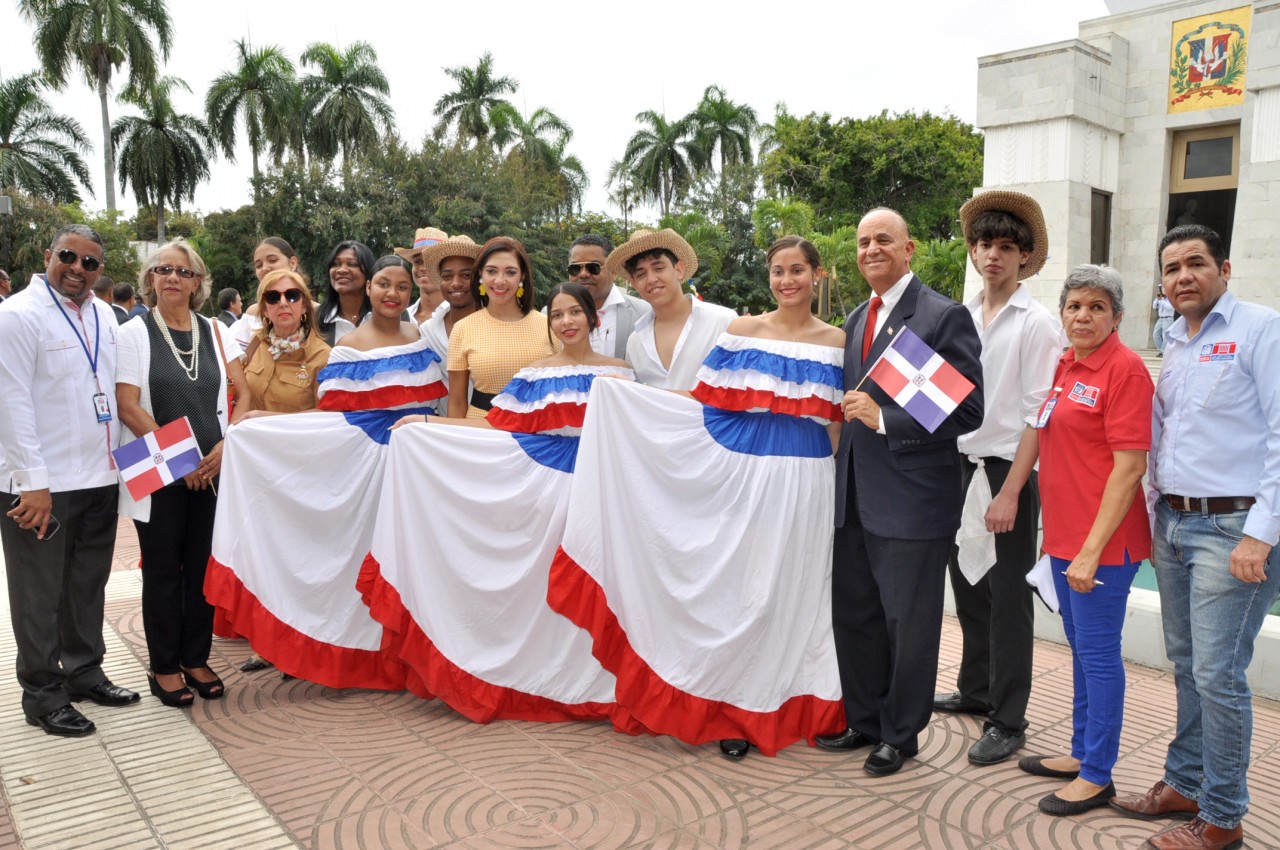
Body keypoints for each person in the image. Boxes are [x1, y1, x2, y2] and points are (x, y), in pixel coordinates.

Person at [548, 235, 847, 759]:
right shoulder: (742, 330)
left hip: (808, 472)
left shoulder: (841, 341)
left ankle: (803, 703)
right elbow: (708, 397)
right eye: (778, 271)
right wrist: (622, 399)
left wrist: (834, 480)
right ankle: (728, 708)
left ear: (817, 275)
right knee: (743, 590)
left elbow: (841, 422)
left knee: (798, 589)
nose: (787, 281)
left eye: (797, 270)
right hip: (743, 468)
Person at [363, 283, 636, 725]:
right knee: (547, 587)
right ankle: (546, 679)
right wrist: (428, 425)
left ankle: (601, 682)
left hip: (600, 490)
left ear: (593, 319)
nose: (567, 322)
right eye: (558, 316)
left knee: (597, 581)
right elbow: (498, 429)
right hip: (547, 491)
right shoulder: (533, 377)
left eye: (575, 313)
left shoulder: (621, 373)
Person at [1110, 225, 1280, 850]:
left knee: (1219, 675)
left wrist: (1260, 535)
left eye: (1196, 264)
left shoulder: (1262, 330)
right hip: (1174, 524)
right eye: (1172, 268)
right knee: (1187, 668)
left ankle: (1224, 817)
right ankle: (1183, 783)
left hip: (1232, 528)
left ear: (1224, 269)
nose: (1183, 276)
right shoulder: (1174, 342)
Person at [205, 255, 445, 690]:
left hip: (418, 470)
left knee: (415, 559)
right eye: (384, 284)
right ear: (369, 288)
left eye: (402, 286)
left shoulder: (425, 338)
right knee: (365, 556)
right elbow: (331, 422)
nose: (393, 293)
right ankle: (364, 650)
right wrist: (262, 424)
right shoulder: (349, 346)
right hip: (369, 468)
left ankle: (418, 650)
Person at [816, 208, 984, 777]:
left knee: (909, 625)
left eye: (883, 240)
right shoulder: (856, 316)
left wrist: (886, 418)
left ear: (908, 248)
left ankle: (900, 734)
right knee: (856, 615)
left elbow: (968, 409)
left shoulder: (941, 315)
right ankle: (863, 720)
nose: (871, 249)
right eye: (863, 241)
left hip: (912, 502)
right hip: (854, 498)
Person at [1017, 264, 1152, 816]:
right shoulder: (1066, 364)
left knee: (1098, 657)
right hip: (1067, 538)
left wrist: (1092, 550)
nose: (1082, 316)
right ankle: (1080, 752)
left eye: (1096, 307)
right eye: (1074, 305)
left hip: (1104, 544)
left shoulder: (1126, 371)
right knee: (1080, 651)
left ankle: (1098, 774)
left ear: (1116, 316)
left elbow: (1129, 469)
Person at [933, 191, 1063, 766]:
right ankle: (976, 687)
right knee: (967, 582)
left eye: (1006, 247)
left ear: (1025, 257)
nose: (993, 256)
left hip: (1008, 468)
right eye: (984, 244)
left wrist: (1012, 491)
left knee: (1009, 597)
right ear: (972, 250)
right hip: (956, 464)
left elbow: (1040, 413)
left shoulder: (1037, 323)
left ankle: (1008, 718)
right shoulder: (958, 314)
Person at [0, 224, 140, 737]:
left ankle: (83, 672)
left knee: (86, 585)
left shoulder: (106, 316)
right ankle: (41, 693)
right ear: (47, 256)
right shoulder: (15, 316)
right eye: (68, 257)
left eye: (90, 263)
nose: (77, 269)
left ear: (101, 271)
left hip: (99, 477)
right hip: (43, 485)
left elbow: (118, 398)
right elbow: (9, 404)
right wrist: (30, 483)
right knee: (39, 594)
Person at [116, 239, 251, 708]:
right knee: (161, 570)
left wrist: (223, 445)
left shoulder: (216, 331)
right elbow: (129, 407)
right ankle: (164, 666)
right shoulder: (133, 333)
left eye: (183, 271)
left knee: (200, 567)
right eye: (163, 269)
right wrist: (183, 458)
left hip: (212, 470)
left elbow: (245, 394)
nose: (172, 277)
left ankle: (196, 657)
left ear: (198, 283)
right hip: (159, 473)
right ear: (150, 279)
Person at [447, 237, 554, 418]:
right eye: (491, 271)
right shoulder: (462, 329)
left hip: (537, 434)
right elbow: (457, 402)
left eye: (510, 272)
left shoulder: (549, 326)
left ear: (523, 276)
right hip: (481, 433)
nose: (500, 281)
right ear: (480, 273)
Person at [618, 229, 735, 388]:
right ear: (634, 283)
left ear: (679, 270)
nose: (651, 279)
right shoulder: (635, 342)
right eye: (641, 274)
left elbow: (737, 390)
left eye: (659, 268)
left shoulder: (723, 322)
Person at [240, 269, 331, 415]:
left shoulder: (322, 356)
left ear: (304, 306)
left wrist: (266, 417)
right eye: (273, 297)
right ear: (264, 309)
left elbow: (327, 415)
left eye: (292, 295)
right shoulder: (256, 343)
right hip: (249, 437)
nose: (283, 303)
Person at [417, 234, 481, 411]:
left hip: (495, 431)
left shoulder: (498, 324)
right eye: (447, 276)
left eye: (466, 275)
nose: (456, 283)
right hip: (448, 430)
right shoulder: (428, 331)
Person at [567, 233, 651, 358]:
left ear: (613, 271)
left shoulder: (644, 313)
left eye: (593, 267)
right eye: (575, 268)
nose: (583, 274)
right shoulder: (550, 315)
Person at [316, 240, 375, 346]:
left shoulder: (386, 316)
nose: (341, 270)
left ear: (368, 272)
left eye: (352, 264)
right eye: (335, 264)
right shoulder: (316, 320)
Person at [395, 226, 448, 325]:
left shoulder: (457, 314)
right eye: (418, 262)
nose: (423, 268)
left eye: (431, 262)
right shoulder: (401, 317)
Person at [1153, 290, 1176, 355]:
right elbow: (1154, 307)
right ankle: (1161, 350)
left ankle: (1163, 352)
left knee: (1165, 336)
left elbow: (1170, 308)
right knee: (1155, 335)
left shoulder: (1171, 299)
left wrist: (1161, 301)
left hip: (1168, 318)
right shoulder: (1161, 299)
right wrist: (1157, 299)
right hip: (1160, 318)